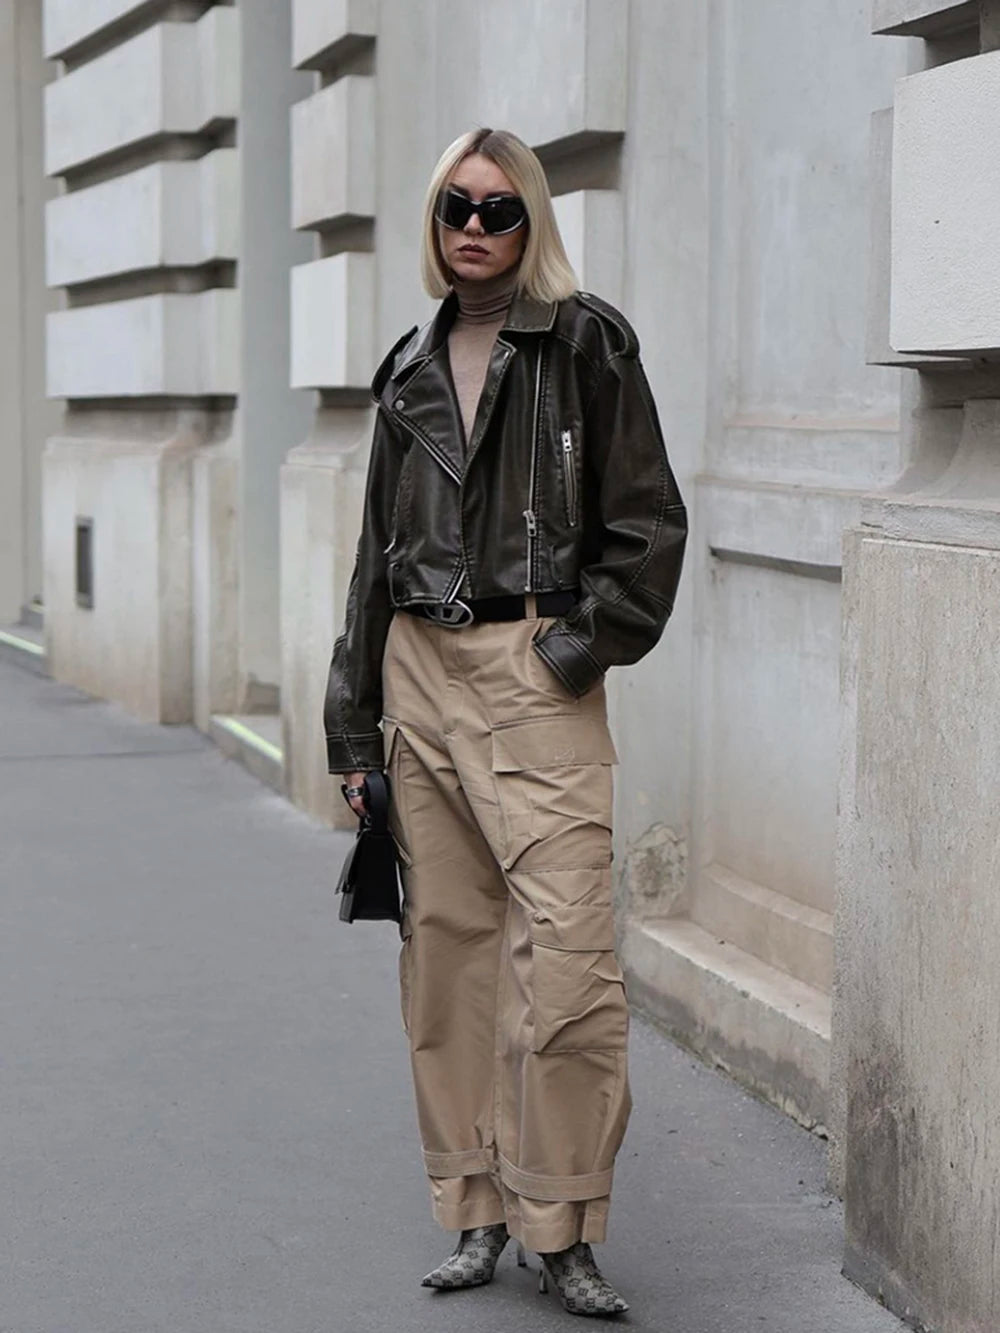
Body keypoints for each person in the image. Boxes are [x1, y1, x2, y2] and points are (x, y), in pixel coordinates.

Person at [325, 127, 687, 1318]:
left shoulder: (586, 341)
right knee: (449, 962)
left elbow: (646, 526)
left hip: (532, 669)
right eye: (454, 208)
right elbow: (373, 564)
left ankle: (564, 1219)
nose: (474, 229)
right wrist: (351, 729)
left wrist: (573, 650)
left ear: (531, 221)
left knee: (568, 958)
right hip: (417, 673)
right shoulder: (409, 366)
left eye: (498, 210)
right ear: (433, 223)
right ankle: (475, 1207)